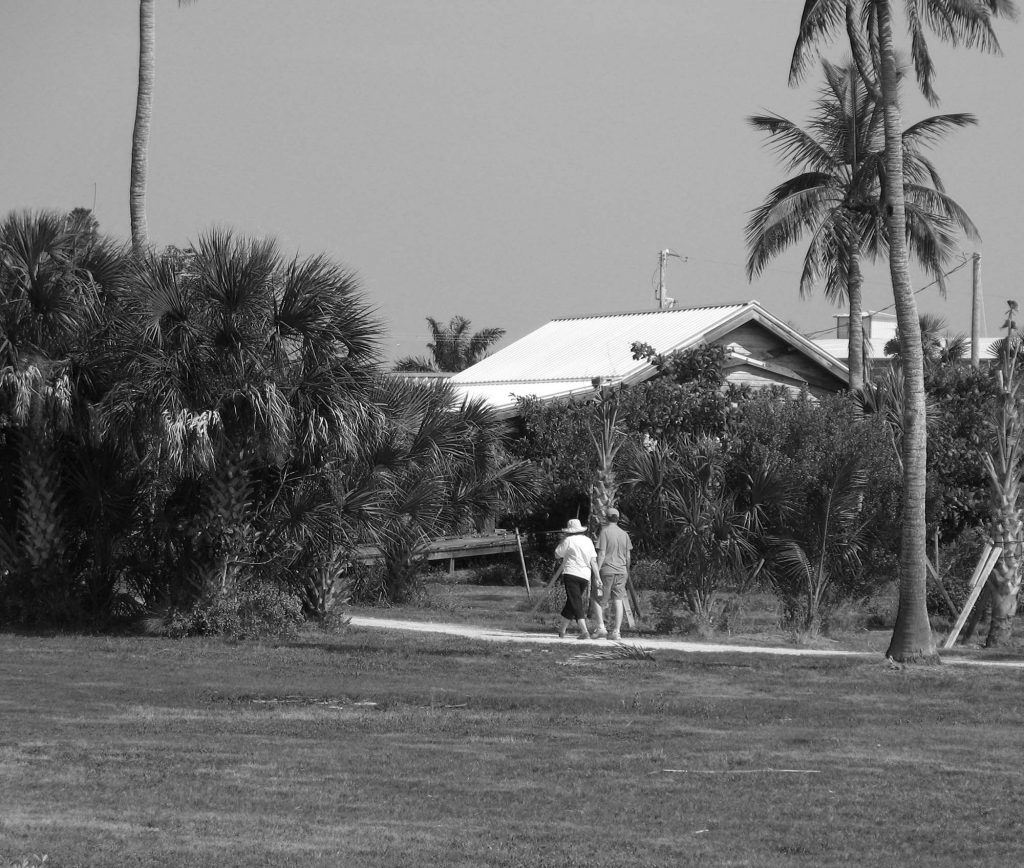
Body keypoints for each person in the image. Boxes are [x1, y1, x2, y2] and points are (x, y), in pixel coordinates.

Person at [551, 518, 604, 639]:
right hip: (585, 575)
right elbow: (593, 561)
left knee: (575, 602)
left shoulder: (568, 540)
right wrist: (597, 577)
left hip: (571, 573)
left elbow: (557, 554)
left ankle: (584, 631)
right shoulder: (588, 541)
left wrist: (563, 542)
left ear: (569, 530)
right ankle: (562, 630)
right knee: (573, 601)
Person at [596, 507, 632, 640]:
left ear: (606, 518)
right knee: (618, 600)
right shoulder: (625, 534)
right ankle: (616, 631)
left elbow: (602, 553)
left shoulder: (604, 532)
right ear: (618, 519)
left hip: (607, 570)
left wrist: (596, 572)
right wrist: (626, 570)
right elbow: (628, 556)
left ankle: (602, 628)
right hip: (622, 571)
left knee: (601, 599)